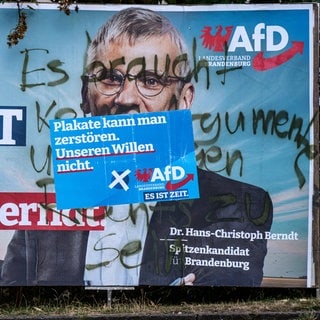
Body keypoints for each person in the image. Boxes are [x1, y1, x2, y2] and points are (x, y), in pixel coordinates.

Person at [0, 7, 273, 287]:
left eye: (151, 81)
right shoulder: (43, 209)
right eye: (111, 78)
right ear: (86, 96)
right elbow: (11, 299)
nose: (127, 98)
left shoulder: (240, 204)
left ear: (184, 101)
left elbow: (217, 303)